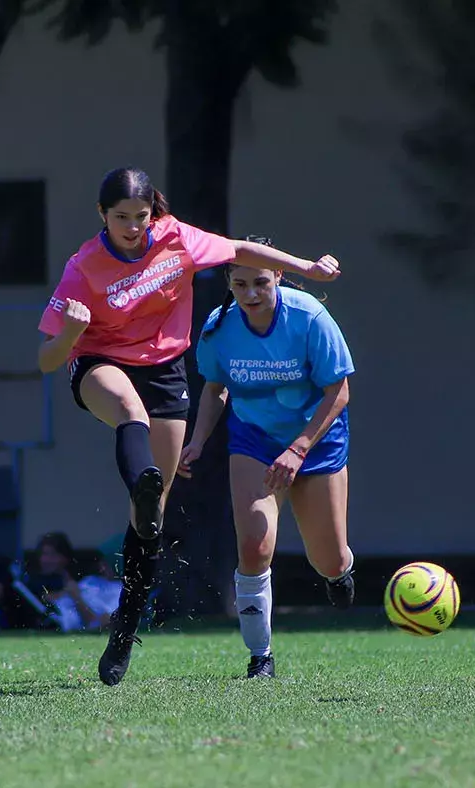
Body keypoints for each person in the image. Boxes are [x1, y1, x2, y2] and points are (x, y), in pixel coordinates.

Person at [36, 167, 342, 686]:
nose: (133, 228)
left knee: (150, 521)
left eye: (140, 216)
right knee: (129, 415)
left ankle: (124, 627)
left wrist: (305, 267)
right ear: (101, 216)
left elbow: (242, 252)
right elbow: (46, 359)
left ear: (153, 212)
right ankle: (142, 482)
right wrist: (70, 333)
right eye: (121, 218)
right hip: (99, 364)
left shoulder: (177, 237)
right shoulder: (83, 266)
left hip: (164, 371)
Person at [179, 236, 356, 679]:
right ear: (229, 282)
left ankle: (340, 574)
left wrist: (298, 449)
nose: (251, 294)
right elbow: (215, 389)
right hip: (253, 440)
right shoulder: (219, 327)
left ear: (278, 275)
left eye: (260, 282)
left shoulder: (309, 317)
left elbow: (340, 391)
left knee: (328, 559)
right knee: (254, 547)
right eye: (240, 284)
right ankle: (261, 656)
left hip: (314, 441)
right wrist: (197, 441)